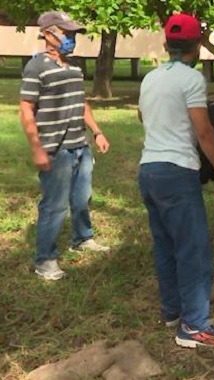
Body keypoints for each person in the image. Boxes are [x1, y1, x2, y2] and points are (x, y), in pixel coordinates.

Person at [137, 13, 214, 348]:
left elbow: (142, 116)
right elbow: (204, 131)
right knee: (194, 250)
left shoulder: (150, 78)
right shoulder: (192, 81)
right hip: (177, 173)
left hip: (148, 170)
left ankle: (172, 312)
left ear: (166, 45)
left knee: (166, 245)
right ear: (197, 48)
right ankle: (194, 328)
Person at [19, 11, 111, 281]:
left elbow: (81, 103)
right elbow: (25, 109)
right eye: (65, 32)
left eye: (73, 33)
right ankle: (44, 259)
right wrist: (37, 148)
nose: (71, 38)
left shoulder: (74, 66)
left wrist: (97, 132)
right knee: (55, 205)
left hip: (79, 145)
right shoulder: (36, 67)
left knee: (82, 198)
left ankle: (82, 238)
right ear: (48, 33)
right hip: (54, 149)